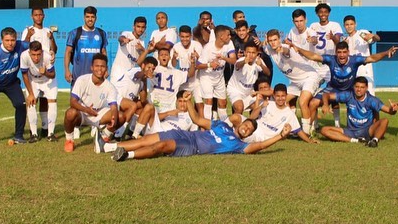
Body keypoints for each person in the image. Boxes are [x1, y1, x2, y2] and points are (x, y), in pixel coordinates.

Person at [106, 91, 292, 161]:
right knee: (146, 139)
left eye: (250, 130)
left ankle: (126, 156)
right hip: (187, 135)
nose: (246, 129)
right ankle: (110, 147)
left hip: (191, 147)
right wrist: (188, 101)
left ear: (248, 135)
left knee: (160, 147)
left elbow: (259, 146)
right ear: (241, 124)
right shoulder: (222, 126)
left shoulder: (239, 146)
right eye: (246, 125)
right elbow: (196, 120)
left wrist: (280, 136)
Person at [287, 40, 398, 129]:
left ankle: (374, 128)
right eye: (339, 52)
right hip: (332, 88)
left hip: (350, 90)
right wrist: (298, 49)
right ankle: (309, 130)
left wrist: (385, 53)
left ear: (348, 52)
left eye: (344, 52)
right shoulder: (331, 59)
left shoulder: (355, 60)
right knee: (312, 103)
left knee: (372, 103)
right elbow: (313, 56)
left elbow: (372, 58)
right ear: (336, 53)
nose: (341, 55)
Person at [262, 28, 321, 134]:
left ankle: (307, 133)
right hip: (295, 83)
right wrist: (262, 42)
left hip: (309, 77)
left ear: (280, 39)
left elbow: (286, 51)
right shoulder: (269, 49)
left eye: (275, 40)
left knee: (302, 101)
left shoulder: (285, 49)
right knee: (279, 101)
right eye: (270, 41)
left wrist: (282, 49)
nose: (273, 43)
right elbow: (263, 47)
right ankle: (281, 127)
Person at [63, 53, 120, 152]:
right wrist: (87, 110)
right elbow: (73, 102)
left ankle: (103, 137)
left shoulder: (110, 87)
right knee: (70, 113)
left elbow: (114, 107)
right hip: (83, 113)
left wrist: (114, 120)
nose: (99, 69)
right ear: (92, 67)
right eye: (97, 66)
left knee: (120, 116)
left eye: (102, 66)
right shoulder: (82, 80)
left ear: (106, 68)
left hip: (98, 114)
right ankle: (69, 140)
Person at [321, 77, 398, 147]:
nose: (359, 89)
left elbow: (389, 111)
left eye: (362, 87)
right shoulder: (348, 95)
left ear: (366, 88)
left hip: (367, 130)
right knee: (324, 130)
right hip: (350, 131)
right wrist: (325, 104)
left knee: (385, 121)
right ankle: (355, 140)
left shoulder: (372, 100)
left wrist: (393, 109)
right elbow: (326, 95)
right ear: (353, 87)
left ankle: (374, 141)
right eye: (357, 87)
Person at [21, 7, 58, 138]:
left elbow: (55, 50)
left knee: (46, 101)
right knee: (32, 100)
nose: (38, 17)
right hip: (33, 72)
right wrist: (28, 36)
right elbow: (23, 47)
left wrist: (52, 39)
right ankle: (33, 133)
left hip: (47, 67)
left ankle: (47, 129)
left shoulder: (48, 31)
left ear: (44, 16)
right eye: (35, 15)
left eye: (40, 15)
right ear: (32, 17)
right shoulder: (28, 30)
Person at [246, 83, 318, 144]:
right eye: (278, 96)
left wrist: (309, 141)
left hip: (261, 136)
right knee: (236, 118)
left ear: (286, 96)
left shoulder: (290, 114)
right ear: (274, 96)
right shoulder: (268, 104)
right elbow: (251, 118)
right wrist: (261, 107)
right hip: (252, 128)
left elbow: (298, 131)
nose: (280, 99)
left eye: (283, 96)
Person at [111, 55, 158, 141]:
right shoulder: (135, 70)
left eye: (153, 69)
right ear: (143, 66)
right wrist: (145, 74)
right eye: (149, 67)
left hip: (124, 102)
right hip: (115, 98)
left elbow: (143, 99)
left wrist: (144, 80)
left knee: (145, 106)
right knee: (133, 106)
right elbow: (138, 75)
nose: (151, 70)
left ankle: (132, 133)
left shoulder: (143, 80)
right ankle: (117, 135)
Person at [196, 25, 236, 120]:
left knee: (223, 102)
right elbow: (198, 65)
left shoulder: (229, 43)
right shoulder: (208, 48)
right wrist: (210, 65)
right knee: (209, 101)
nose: (230, 37)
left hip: (219, 77)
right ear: (221, 36)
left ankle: (224, 125)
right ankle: (207, 126)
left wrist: (223, 58)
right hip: (207, 77)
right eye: (228, 35)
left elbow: (234, 60)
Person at [64, 6, 108, 85]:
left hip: (96, 76)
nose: (90, 19)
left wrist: (106, 70)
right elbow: (68, 52)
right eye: (87, 17)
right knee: (75, 98)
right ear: (84, 17)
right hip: (78, 76)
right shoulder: (75, 33)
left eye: (92, 17)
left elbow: (104, 52)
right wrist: (67, 70)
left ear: (96, 18)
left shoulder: (101, 33)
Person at [227, 42, 271, 114]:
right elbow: (238, 65)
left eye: (253, 53)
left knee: (260, 107)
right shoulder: (241, 61)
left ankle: (254, 124)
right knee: (239, 108)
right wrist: (244, 62)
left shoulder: (258, 61)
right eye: (248, 52)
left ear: (257, 53)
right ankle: (235, 124)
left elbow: (268, 73)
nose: (250, 55)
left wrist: (262, 65)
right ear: (244, 52)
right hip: (235, 90)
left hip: (249, 92)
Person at [342, 15, 380, 94]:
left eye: (351, 24)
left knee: (369, 94)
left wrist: (373, 35)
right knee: (355, 96)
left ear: (355, 24)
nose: (349, 27)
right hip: (352, 72)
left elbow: (376, 39)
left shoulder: (361, 33)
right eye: (347, 25)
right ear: (344, 26)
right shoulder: (345, 40)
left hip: (364, 69)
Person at [171, 25, 204, 114]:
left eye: (187, 37)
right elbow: (173, 66)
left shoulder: (197, 46)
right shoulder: (175, 47)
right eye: (182, 37)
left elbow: (202, 64)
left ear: (191, 36)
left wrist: (198, 57)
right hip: (182, 84)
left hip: (195, 81)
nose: (184, 39)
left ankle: (203, 127)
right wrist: (174, 58)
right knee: (182, 106)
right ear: (179, 36)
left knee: (199, 105)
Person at [110, 16, 147, 83]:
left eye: (143, 27)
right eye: (138, 26)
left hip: (129, 75)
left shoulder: (142, 42)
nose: (140, 29)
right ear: (133, 27)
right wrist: (124, 40)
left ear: (145, 28)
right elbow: (120, 39)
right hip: (118, 72)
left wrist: (143, 50)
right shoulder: (127, 34)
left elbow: (139, 62)